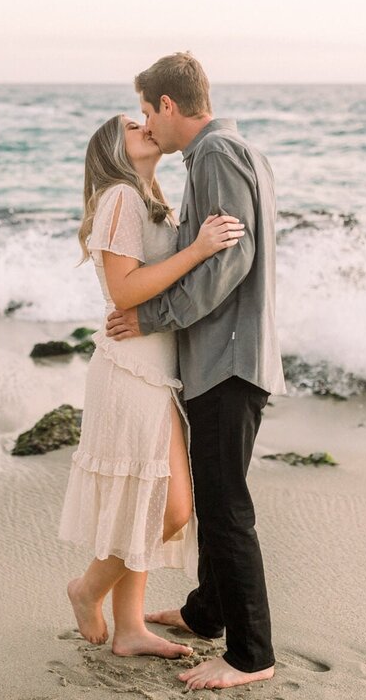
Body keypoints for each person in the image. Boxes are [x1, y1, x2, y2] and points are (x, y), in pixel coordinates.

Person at [105, 52, 287, 691]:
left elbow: (230, 262)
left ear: (168, 106)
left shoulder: (213, 155)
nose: (149, 125)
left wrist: (153, 315)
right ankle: (206, 612)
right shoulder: (240, 150)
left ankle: (250, 654)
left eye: (150, 112)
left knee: (224, 504)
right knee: (215, 493)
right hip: (233, 353)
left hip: (228, 358)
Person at [57, 113, 244, 658]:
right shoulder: (119, 197)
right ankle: (87, 589)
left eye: (144, 120)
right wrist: (201, 249)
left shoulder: (147, 198)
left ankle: (131, 628)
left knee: (147, 496)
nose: (144, 126)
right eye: (129, 126)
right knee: (171, 508)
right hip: (131, 369)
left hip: (155, 368)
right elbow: (124, 291)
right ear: (112, 149)